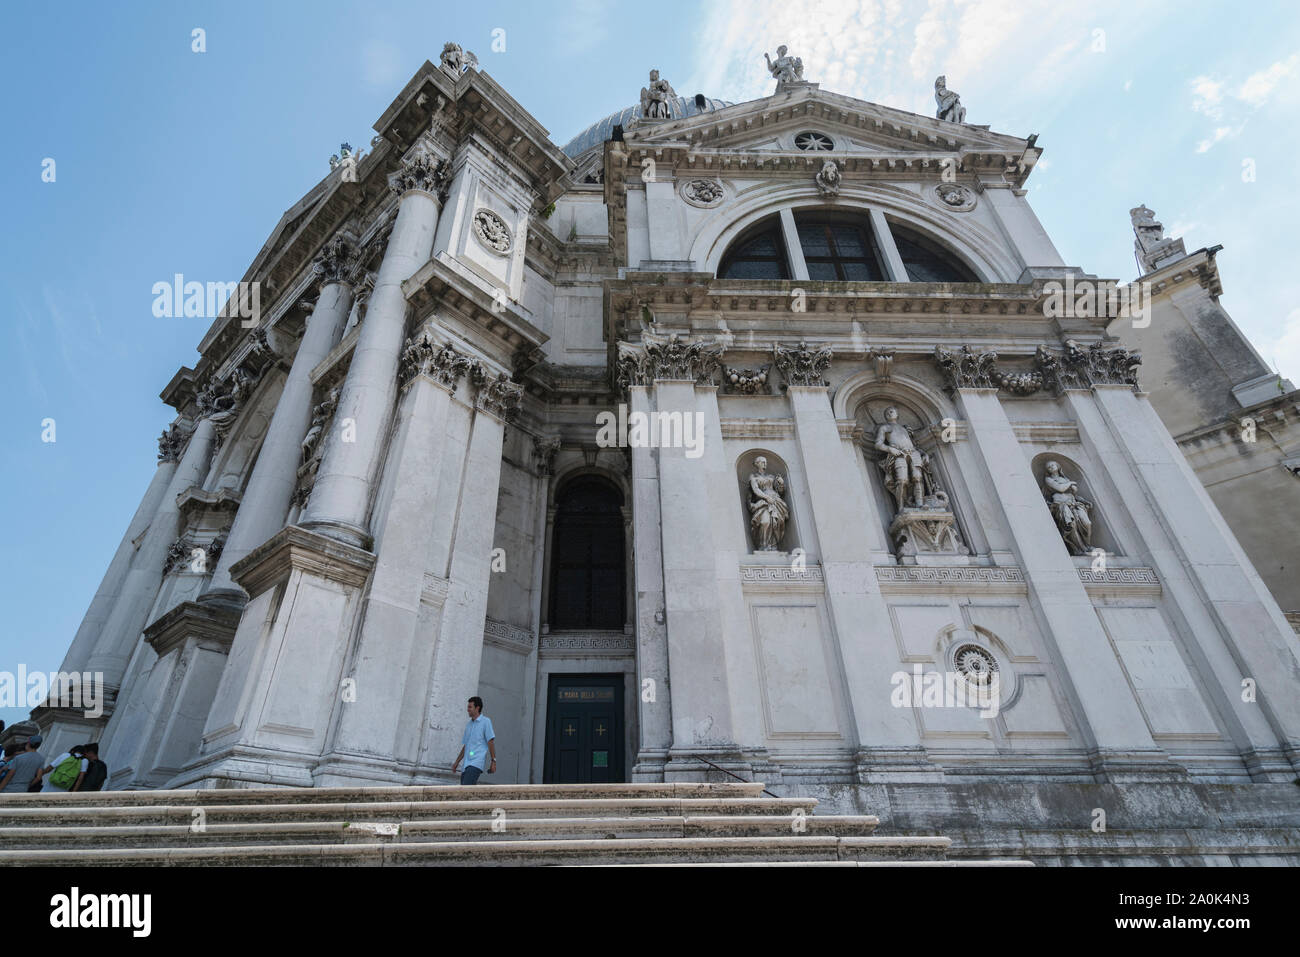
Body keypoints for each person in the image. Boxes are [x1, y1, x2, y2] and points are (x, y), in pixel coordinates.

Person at [451, 696, 496, 785]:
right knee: (466, 792)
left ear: (477, 708)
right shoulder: (468, 725)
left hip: (476, 763)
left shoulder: (486, 722)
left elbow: (490, 741)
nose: (468, 709)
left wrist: (493, 761)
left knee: (465, 790)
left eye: (470, 707)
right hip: (465, 766)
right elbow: (466, 746)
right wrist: (457, 762)